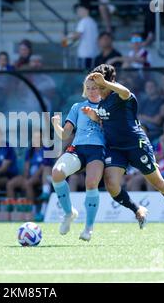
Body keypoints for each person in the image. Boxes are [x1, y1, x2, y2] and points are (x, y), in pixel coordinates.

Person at [82, 64, 164, 238]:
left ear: (110, 82)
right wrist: (93, 115)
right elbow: (105, 119)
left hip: (136, 146)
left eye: (101, 86)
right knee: (111, 185)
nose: (98, 90)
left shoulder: (121, 95)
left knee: (159, 184)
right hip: (116, 148)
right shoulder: (102, 102)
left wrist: (106, 84)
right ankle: (138, 209)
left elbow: (125, 92)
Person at [50, 73, 106, 241]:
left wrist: (95, 117)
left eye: (95, 87)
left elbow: (111, 128)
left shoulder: (108, 106)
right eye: (88, 88)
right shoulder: (77, 107)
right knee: (57, 172)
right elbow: (65, 134)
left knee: (91, 183)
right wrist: (56, 125)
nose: (91, 91)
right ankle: (69, 213)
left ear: (102, 88)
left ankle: (88, 228)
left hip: (98, 150)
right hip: (77, 148)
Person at [6, 130, 53, 221]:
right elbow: (26, 167)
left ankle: (33, 211)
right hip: (30, 177)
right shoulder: (30, 151)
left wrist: (32, 177)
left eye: (38, 137)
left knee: (29, 183)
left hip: (41, 177)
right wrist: (25, 176)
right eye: (34, 137)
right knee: (11, 184)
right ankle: (11, 210)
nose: (36, 139)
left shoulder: (46, 149)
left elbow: (44, 166)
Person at [63, 3, 98, 70]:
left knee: (83, 75)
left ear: (86, 10)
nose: (78, 12)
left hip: (85, 54)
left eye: (80, 10)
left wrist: (65, 38)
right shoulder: (93, 21)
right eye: (77, 11)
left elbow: (77, 35)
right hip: (93, 53)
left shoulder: (84, 21)